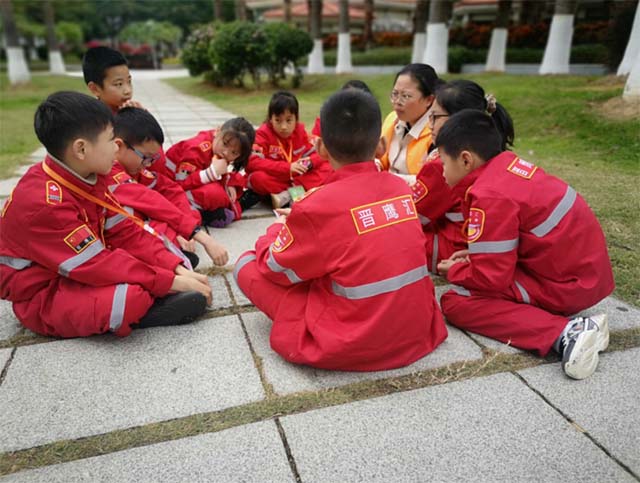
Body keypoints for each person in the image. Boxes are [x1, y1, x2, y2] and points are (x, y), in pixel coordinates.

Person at [234, 89, 447, 371]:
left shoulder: (315, 206)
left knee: (246, 264)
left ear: (321, 148)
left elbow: (275, 268)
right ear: (380, 146)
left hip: (352, 340)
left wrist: (278, 230)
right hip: (417, 328)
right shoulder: (400, 190)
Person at [0, 92, 212, 338]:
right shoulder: (46, 204)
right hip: (42, 290)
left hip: (78, 262)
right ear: (81, 149)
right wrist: (168, 282)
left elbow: (125, 231)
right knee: (129, 298)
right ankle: (142, 311)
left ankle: (157, 287)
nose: (116, 147)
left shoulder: (86, 174)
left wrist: (176, 270)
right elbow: (96, 265)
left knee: (163, 259)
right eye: (111, 139)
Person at [435, 109, 614, 380]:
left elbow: (491, 279)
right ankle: (571, 328)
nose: (442, 171)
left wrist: (454, 272)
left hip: (568, 285)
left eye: (443, 162)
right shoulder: (507, 167)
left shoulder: (489, 195)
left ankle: (567, 333)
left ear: (466, 159)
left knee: (456, 302)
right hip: (584, 274)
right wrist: (476, 256)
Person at [413, 79, 515, 273]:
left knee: (388, 234)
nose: (429, 125)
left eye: (434, 117)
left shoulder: (444, 164)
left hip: (452, 249)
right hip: (476, 244)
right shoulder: (490, 149)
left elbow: (413, 216)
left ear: (458, 119)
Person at [110, 107, 229, 267]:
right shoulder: (111, 173)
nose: (149, 164)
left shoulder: (136, 168)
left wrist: (189, 228)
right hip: (118, 244)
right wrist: (200, 235)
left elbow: (171, 189)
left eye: (152, 159)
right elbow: (151, 201)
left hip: (151, 227)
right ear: (118, 146)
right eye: (145, 158)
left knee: (188, 212)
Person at [245, 91, 332, 209]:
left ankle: (285, 196)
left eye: (289, 120)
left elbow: (319, 154)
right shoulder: (262, 134)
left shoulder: (300, 131)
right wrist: (288, 168)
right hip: (277, 177)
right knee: (257, 178)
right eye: (278, 120)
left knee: (329, 167)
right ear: (270, 119)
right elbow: (251, 162)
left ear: (296, 118)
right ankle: (297, 194)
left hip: (298, 175)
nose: (284, 127)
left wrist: (309, 162)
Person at [164, 118, 255, 227]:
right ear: (218, 130)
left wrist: (230, 183)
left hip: (187, 186)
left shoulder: (217, 148)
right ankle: (201, 214)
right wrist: (210, 173)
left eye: (234, 152)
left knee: (230, 187)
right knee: (215, 193)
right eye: (225, 144)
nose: (226, 152)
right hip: (168, 189)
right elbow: (181, 183)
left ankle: (207, 212)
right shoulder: (196, 149)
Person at [379, 63, 442, 183]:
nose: (397, 102)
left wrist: (387, 178)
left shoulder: (436, 132)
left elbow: (428, 182)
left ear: (429, 100)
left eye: (406, 96)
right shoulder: (392, 118)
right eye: (395, 94)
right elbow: (380, 161)